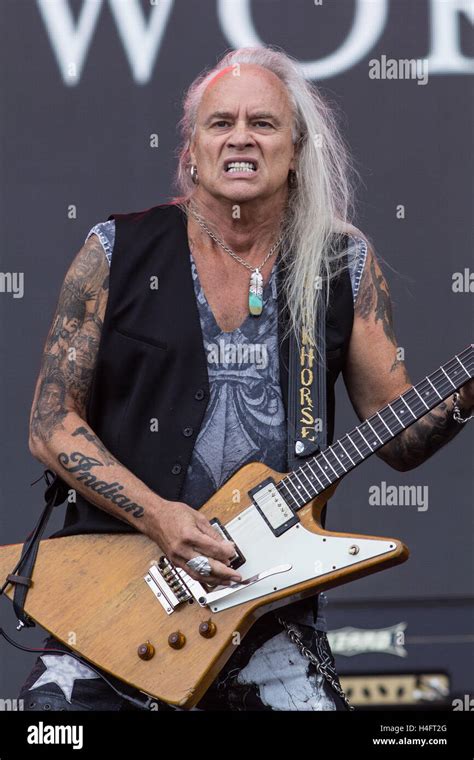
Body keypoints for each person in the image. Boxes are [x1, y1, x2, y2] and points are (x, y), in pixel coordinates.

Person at [19, 46, 473, 712]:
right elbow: (50, 424)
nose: (240, 137)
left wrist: (467, 389)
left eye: (262, 123)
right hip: (114, 608)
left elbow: (400, 438)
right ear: (190, 150)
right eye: (219, 122)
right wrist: (160, 516)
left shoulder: (341, 261)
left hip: (272, 626)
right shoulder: (115, 251)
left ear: (296, 149)